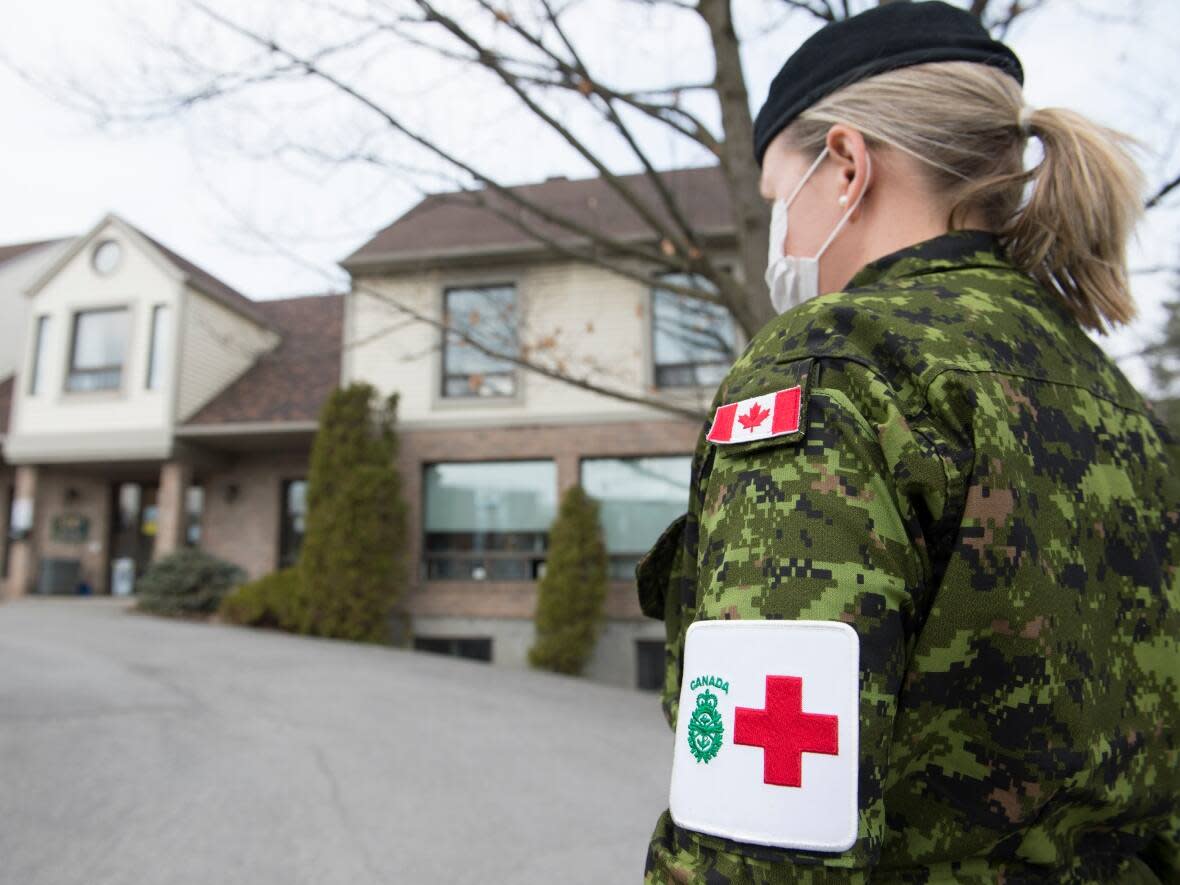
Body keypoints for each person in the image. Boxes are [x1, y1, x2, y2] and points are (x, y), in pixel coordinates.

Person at [636, 2, 1180, 882]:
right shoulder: (1115, 399)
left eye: (780, 197)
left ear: (845, 164)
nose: (782, 231)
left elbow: (766, 833)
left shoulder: (838, 364)